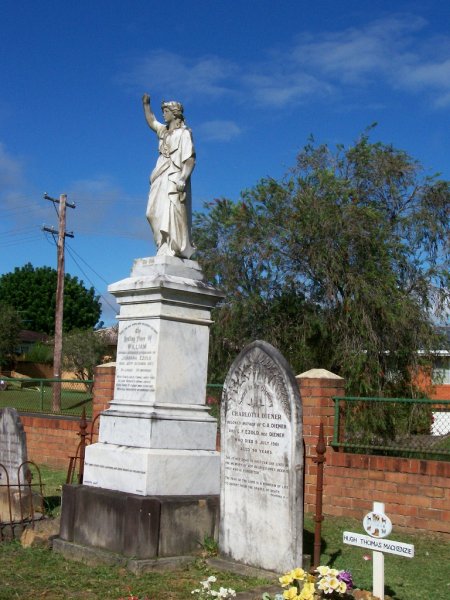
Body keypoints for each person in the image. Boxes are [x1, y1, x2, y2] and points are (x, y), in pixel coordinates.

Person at [142, 93, 196, 258]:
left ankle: (171, 247)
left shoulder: (184, 133)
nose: (163, 115)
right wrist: (146, 105)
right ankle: (161, 244)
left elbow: (190, 159)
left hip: (175, 175)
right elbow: (152, 121)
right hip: (160, 173)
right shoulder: (164, 131)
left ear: (174, 114)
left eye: (166, 111)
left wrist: (183, 178)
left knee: (172, 210)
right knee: (152, 212)